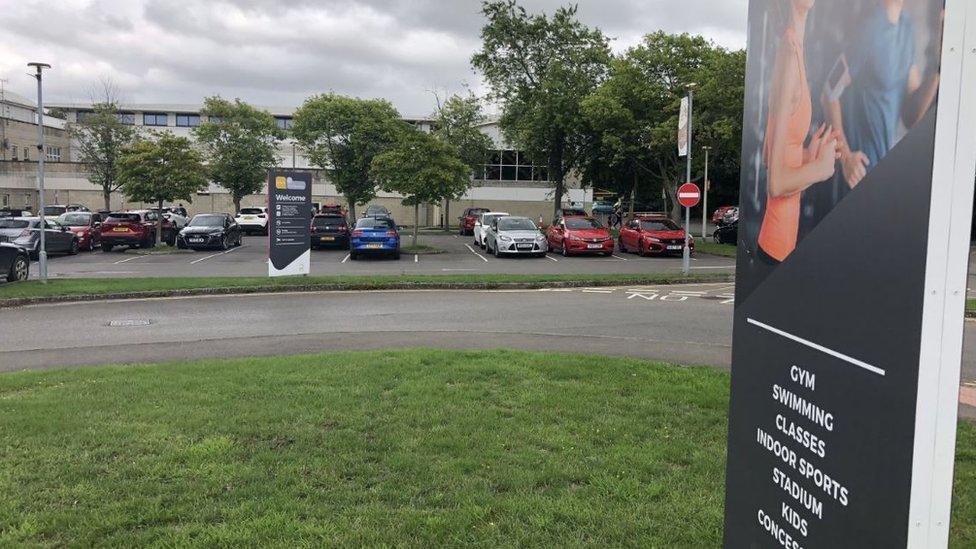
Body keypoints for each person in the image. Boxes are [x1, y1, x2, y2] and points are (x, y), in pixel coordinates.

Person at [823, 0, 941, 190]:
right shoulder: (868, 29)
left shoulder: (906, 28)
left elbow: (911, 117)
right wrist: (846, 157)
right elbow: (828, 94)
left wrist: (939, 66)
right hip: (857, 174)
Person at [757, 0, 839, 264]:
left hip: (778, 247)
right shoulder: (789, 55)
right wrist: (821, 169)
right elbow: (777, 183)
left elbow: (771, 157)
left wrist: (808, 156)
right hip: (774, 250)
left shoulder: (793, 47)